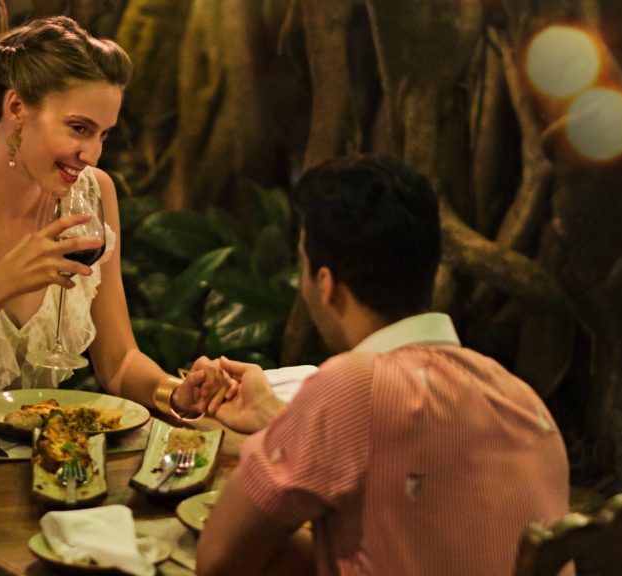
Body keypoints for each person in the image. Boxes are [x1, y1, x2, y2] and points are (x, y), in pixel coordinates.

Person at [0, 16, 217, 574]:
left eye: (103, 134)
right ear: (17, 108)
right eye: (78, 128)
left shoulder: (95, 197)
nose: (92, 155)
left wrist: (177, 395)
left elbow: (119, 363)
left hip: (62, 483)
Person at [195, 155, 572, 575]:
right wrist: (276, 419)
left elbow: (218, 557)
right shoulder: (523, 400)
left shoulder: (353, 385)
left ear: (326, 285)